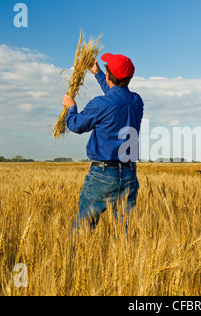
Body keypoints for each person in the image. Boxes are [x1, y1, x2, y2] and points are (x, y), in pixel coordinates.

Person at [62, 53, 144, 231]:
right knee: (126, 234)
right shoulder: (137, 101)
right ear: (129, 78)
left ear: (109, 76)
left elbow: (76, 125)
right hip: (129, 175)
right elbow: (117, 97)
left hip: (103, 175)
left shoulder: (100, 104)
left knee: (81, 232)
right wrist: (98, 73)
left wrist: (71, 108)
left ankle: (73, 259)